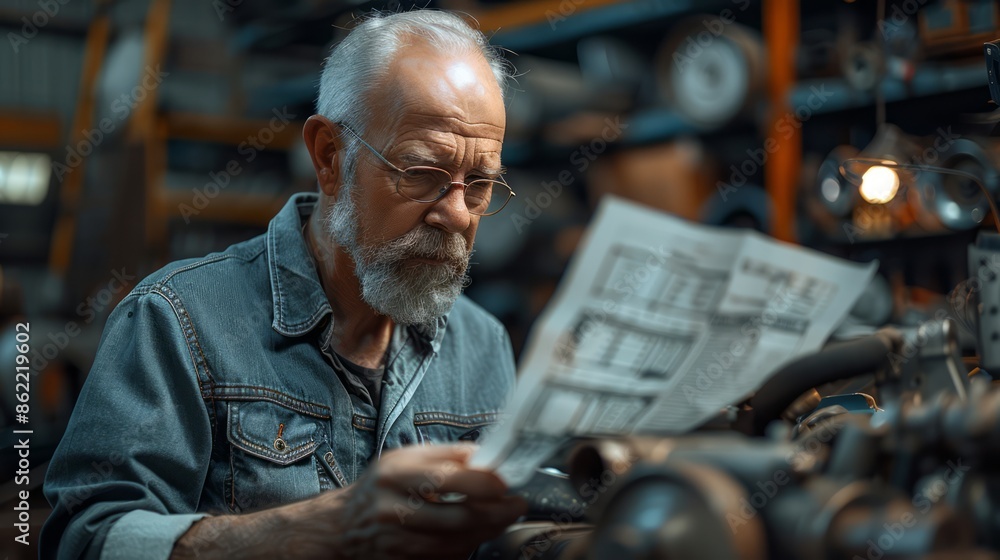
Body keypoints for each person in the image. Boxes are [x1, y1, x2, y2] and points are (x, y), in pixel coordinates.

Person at [42, 10, 527, 560]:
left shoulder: (481, 344)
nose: (458, 215)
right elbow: (85, 541)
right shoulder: (177, 321)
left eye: (481, 184)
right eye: (420, 172)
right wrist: (323, 528)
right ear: (328, 155)